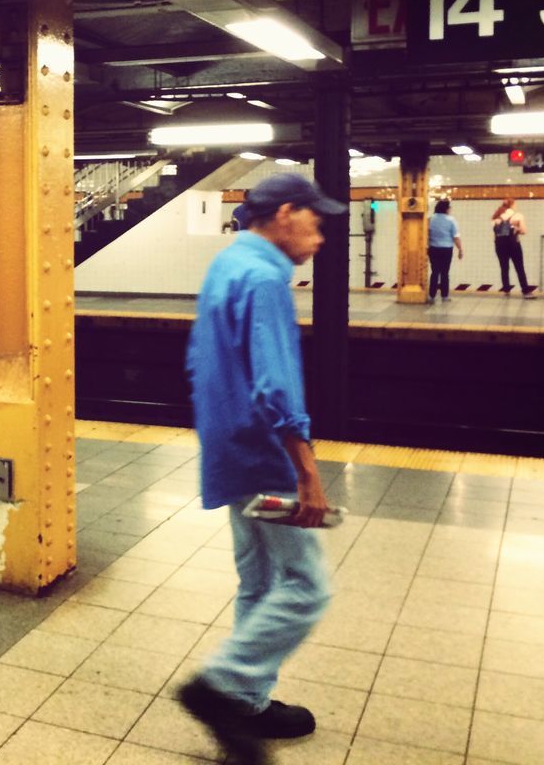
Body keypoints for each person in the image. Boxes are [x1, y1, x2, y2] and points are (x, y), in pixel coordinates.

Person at [179, 173, 345, 765]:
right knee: (307, 588)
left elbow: (198, 363)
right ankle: (221, 686)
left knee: (260, 582)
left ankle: (247, 701)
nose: (320, 236)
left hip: (229, 449)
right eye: (316, 222)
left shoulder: (226, 265)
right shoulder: (266, 278)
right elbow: (277, 387)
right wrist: (307, 472)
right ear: (286, 214)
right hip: (265, 455)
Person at [492, 198, 535, 298]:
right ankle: (525, 291)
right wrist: (516, 229)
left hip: (499, 245)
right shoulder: (517, 216)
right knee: (519, 268)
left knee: (504, 267)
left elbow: (495, 234)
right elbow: (524, 231)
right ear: (512, 205)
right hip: (513, 244)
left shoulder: (497, 216)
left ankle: (506, 290)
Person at [427, 199, 462, 304]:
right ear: (446, 209)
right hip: (446, 249)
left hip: (433, 249)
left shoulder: (430, 219)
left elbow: (426, 234)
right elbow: (456, 237)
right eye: (449, 208)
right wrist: (460, 249)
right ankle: (444, 296)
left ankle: (431, 296)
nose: (450, 209)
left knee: (435, 272)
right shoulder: (451, 220)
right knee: (445, 273)